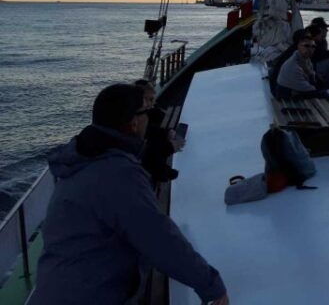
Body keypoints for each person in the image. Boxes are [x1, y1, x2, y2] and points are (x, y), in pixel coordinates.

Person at [31, 84, 228, 305]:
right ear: (134, 122)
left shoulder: (85, 157)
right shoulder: (117, 173)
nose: (150, 118)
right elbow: (159, 239)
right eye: (147, 112)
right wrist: (211, 285)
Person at [135, 79, 185, 185]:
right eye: (150, 99)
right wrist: (169, 147)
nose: (153, 103)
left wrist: (166, 133)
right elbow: (146, 159)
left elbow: (151, 132)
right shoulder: (139, 123)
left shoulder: (149, 114)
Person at [276, 32, 328, 97]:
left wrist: (310, 73)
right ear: (298, 46)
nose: (310, 49)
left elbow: (312, 77)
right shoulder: (294, 67)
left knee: (322, 83)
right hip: (286, 94)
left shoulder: (305, 58)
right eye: (306, 46)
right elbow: (310, 89)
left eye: (313, 46)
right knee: (324, 93)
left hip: (298, 87)